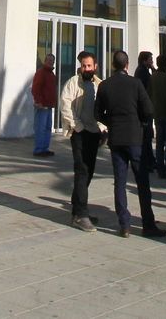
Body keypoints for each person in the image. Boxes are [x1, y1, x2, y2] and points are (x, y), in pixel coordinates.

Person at [96, 50, 166, 238]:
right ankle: (148, 224)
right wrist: (141, 123)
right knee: (142, 182)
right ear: (127, 65)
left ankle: (124, 224)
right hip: (135, 138)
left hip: (117, 139)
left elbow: (97, 113)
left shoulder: (105, 85)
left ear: (113, 65)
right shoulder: (135, 84)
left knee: (119, 182)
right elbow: (148, 109)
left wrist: (111, 121)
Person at [60, 50, 105, 231]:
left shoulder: (99, 85)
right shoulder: (73, 82)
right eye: (83, 65)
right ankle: (81, 214)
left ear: (95, 67)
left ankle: (77, 209)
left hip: (94, 133)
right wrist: (76, 126)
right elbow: (65, 105)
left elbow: (103, 110)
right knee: (82, 170)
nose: (86, 68)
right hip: (80, 133)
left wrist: (102, 129)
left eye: (89, 65)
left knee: (89, 171)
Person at [135, 51, 158, 173]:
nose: (152, 62)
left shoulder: (143, 71)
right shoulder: (142, 72)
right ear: (144, 61)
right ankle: (148, 162)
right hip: (144, 109)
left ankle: (150, 161)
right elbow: (153, 84)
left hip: (146, 108)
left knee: (147, 136)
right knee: (146, 136)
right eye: (150, 60)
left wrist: (153, 68)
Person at [31, 53, 58, 157]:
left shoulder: (52, 75)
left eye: (52, 61)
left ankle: (44, 148)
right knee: (40, 128)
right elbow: (35, 88)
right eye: (49, 60)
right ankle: (38, 149)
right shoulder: (41, 73)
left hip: (49, 106)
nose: (51, 62)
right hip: (42, 106)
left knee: (47, 128)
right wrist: (38, 101)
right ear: (45, 61)